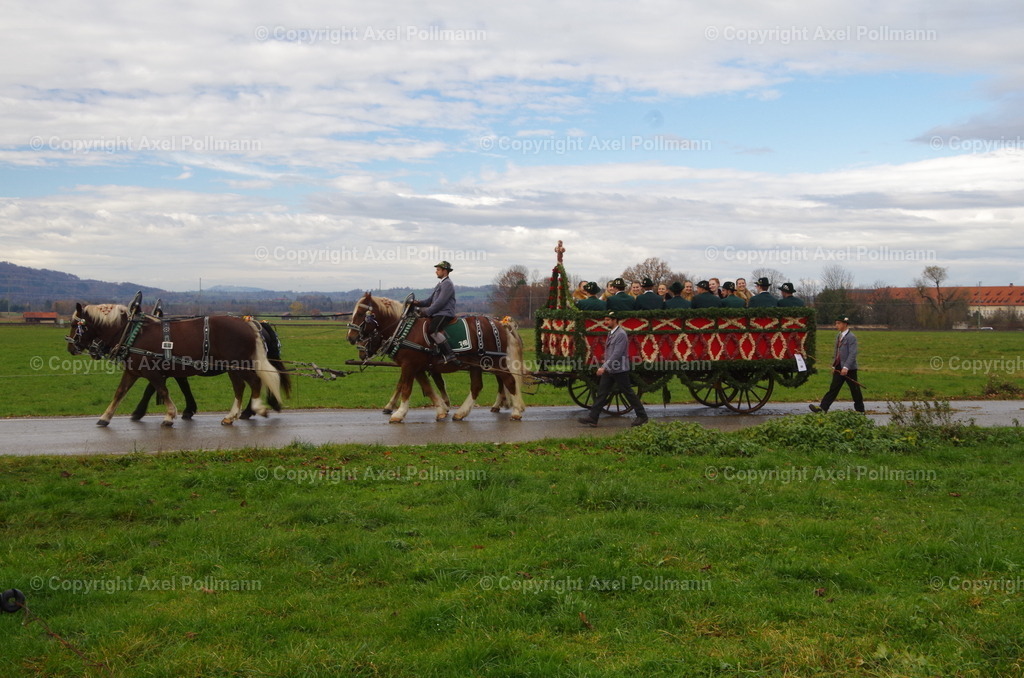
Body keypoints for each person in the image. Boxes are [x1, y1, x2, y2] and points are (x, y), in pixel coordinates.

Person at [578, 311, 648, 427]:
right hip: (611, 369)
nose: (606, 322)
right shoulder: (611, 332)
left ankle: (642, 416)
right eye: (605, 320)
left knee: (628, 393)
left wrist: (604, 367)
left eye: (608, 320)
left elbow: (617, 354)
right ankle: (593, 418)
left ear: (615, 320)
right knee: (602, 393)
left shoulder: (620, 334)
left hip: (619, 369)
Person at [810, 316, 865, 414]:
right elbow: (837, 352)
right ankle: (822, 408)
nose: (836, 325)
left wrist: (846, 367)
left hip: (849, 369)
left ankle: (860, 410)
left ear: (845, 324)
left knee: (855, 390)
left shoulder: (851, 337)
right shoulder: (838, 336)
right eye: (836, 323)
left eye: (839, 323)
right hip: (838, 367)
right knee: (833, 388)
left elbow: (852, 354)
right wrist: (834, 365)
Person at [413, 260, 458, 363]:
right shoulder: (440, 284)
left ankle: (449, 354)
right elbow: (430, 300)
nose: (436, 272)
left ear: (445, 271)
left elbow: (440, 302)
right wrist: (417, 303)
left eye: (438, 270)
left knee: (433, 329)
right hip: (438, 313)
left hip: (445, 313)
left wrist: (426, 312)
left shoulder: (447, 284)